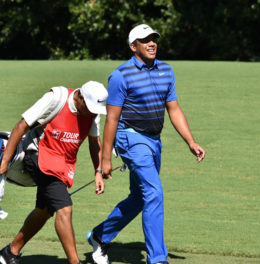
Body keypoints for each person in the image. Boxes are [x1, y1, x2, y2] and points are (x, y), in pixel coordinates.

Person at [86, 24, 206, 264]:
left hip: (154, 140)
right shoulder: (120, 75)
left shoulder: (166, 71)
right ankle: (158, 259)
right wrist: (105, 160)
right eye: (145, 40)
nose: (152, 43)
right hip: (130, 138)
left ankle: (100, 236)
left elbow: (173, 109)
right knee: (154, 193)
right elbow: (111, 119)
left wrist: (190, 141)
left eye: (154, 39)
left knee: (140, 197)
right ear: (133, 46)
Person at [0, 81, 108, 264]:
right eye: (90, 108)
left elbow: (94, 142)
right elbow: (21, 126)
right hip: (38, 156)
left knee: (45, 211)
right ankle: (74, 262)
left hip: (62, 164)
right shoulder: (57, 98)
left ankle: (10, 253)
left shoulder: (93, 111)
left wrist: (98, 171)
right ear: (79, 98)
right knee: (64, 208)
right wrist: (5, 161)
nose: (93, 113)